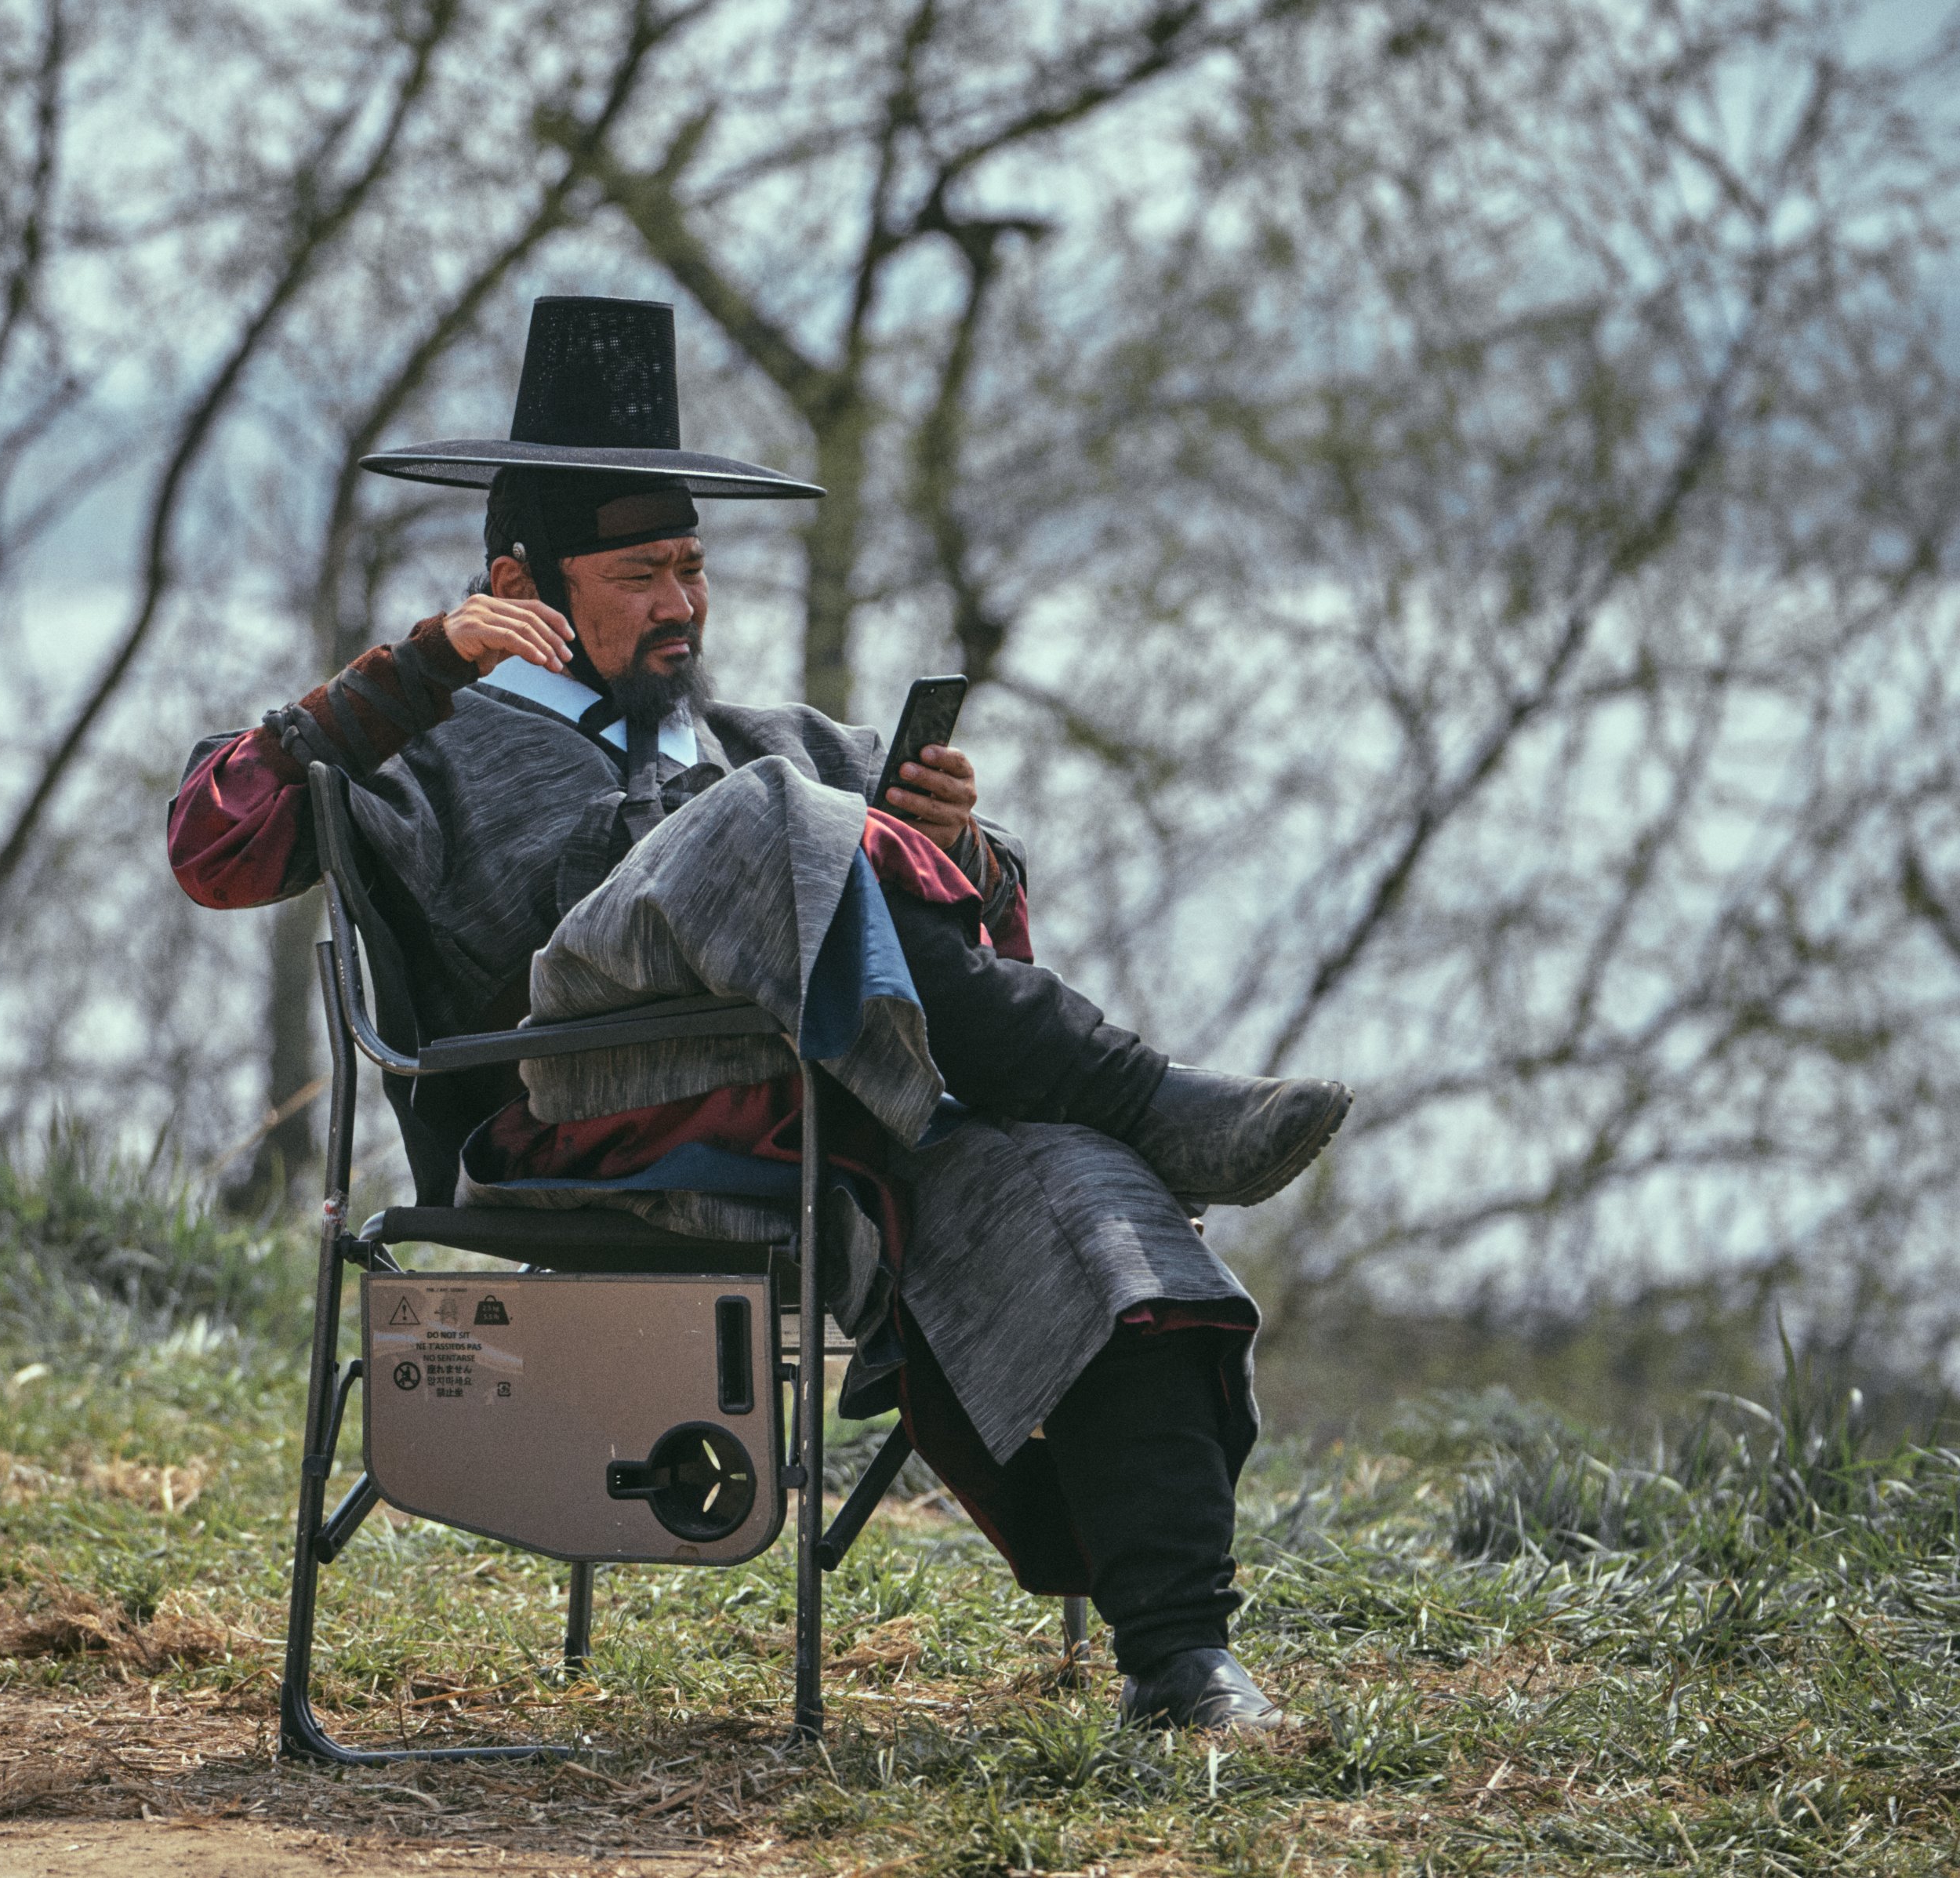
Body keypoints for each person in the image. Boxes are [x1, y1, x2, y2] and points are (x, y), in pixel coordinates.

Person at [169, 296, 1348, 1731]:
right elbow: (214, 845)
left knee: (1090, 1191)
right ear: (518, 585)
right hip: (583, 1114)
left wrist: (962, 858)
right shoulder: (421, 745)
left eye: (692, 567)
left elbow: (978, 973)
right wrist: (421, 665)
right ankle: (1150, 1096)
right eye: (638, 575)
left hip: (841, 1125)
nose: (681, 604)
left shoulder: (777, 739)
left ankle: (1182, 1662)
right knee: (777, 820)